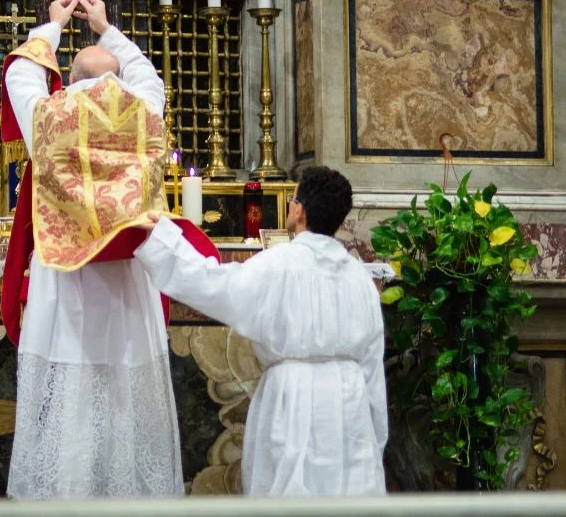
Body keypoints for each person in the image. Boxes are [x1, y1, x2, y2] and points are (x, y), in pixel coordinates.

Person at [0, 0, 216, 498]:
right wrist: (106, 27)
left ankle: (64, 499)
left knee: (70, 402)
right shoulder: (144, 111)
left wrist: (52, 28)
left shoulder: (52, 114)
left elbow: (20, 76)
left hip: (67, 281)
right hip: (127, 287)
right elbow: (151, 77)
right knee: (125, 396)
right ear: (117, 80)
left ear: (70, 81)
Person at [134, 166, 389, 496]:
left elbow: (213, 285)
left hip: (293, 402)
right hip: (350, 409)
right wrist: (374, 441)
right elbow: (372, 370)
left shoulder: (279, 264)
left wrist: (162, 239)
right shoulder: (359, 278)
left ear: (298, 210)